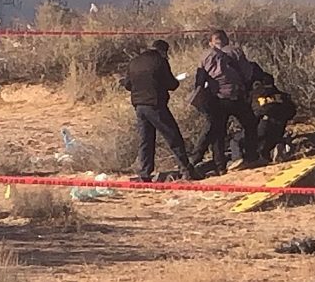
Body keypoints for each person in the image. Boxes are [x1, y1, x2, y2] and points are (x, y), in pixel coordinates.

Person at [122, 40, 199, 182]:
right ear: (163, 51)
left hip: (139, 106)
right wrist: (175, 81)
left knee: (146, 140)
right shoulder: (160, 61)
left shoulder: (134, 62)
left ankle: (144, 173)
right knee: (173, 136)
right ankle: (186, 170)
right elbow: (171, 84)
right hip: (155, 105)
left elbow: (127, 85)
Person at [190, 30, 259, 175]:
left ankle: (220, 166)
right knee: (250, 124)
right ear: (226, 40)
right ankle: (252, 156)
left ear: (211, 42)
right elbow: (248, 74)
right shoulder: (236, 52)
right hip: (237, 96)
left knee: (218, 132)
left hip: (217, 98)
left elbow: (199, 81)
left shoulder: (206, 56)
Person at [230, 65, 297, 163]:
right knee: (266, 143)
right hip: (279, 128)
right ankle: (276, 147)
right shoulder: (280, 95)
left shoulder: (254, 95)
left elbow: (253, 115)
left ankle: (238, 159)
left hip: (263, 126)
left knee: (236, 140)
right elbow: (292, 111)